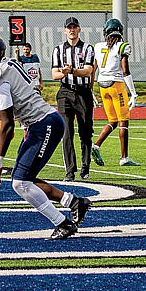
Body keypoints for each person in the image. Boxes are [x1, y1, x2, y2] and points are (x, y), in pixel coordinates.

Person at [0, 33, 91, 240]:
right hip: (41, 123)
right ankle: (73, 202)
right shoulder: (6, 68)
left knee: (20, 183)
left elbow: (7, 126)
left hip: (43, 125)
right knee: (25, 179)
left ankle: (63, 223)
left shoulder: (0, 82)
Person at [90, 18, 140, 167]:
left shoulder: (98, 46)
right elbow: (125, 70)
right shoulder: (122, 46)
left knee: (112, 120)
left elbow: (93, 69)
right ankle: (124, 157)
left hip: (102, 86)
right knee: (123, 121)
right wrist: (133, 93)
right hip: (116, 85)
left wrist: (90, 89)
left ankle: (96, 145)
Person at [51, 17, 95, 181]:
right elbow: (55, 74)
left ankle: (85, 166)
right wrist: (65, 72)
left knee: (85, 132)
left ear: (79, 29)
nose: (72, 30)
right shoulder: (58, 50)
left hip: (83, 93)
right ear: (64, 30)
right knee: (66, 132)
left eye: (74, 27)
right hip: (65, 92)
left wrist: (72, 71)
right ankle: (70, 171)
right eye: (69, 28)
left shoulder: (88, 48)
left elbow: (88, 71)